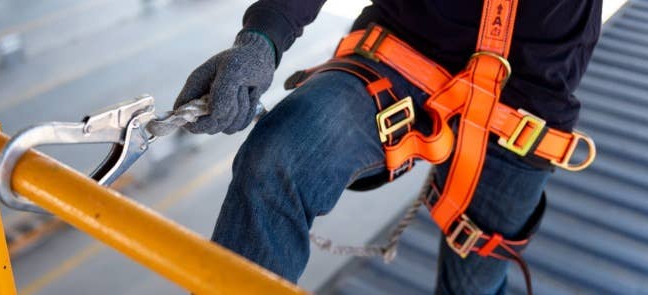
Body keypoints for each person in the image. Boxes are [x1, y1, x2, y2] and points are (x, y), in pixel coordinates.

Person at [172, 1, 601, 293]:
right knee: (278, 157)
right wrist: (263, 38)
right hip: (403, 49)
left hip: (526, 99)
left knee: (476, 284)